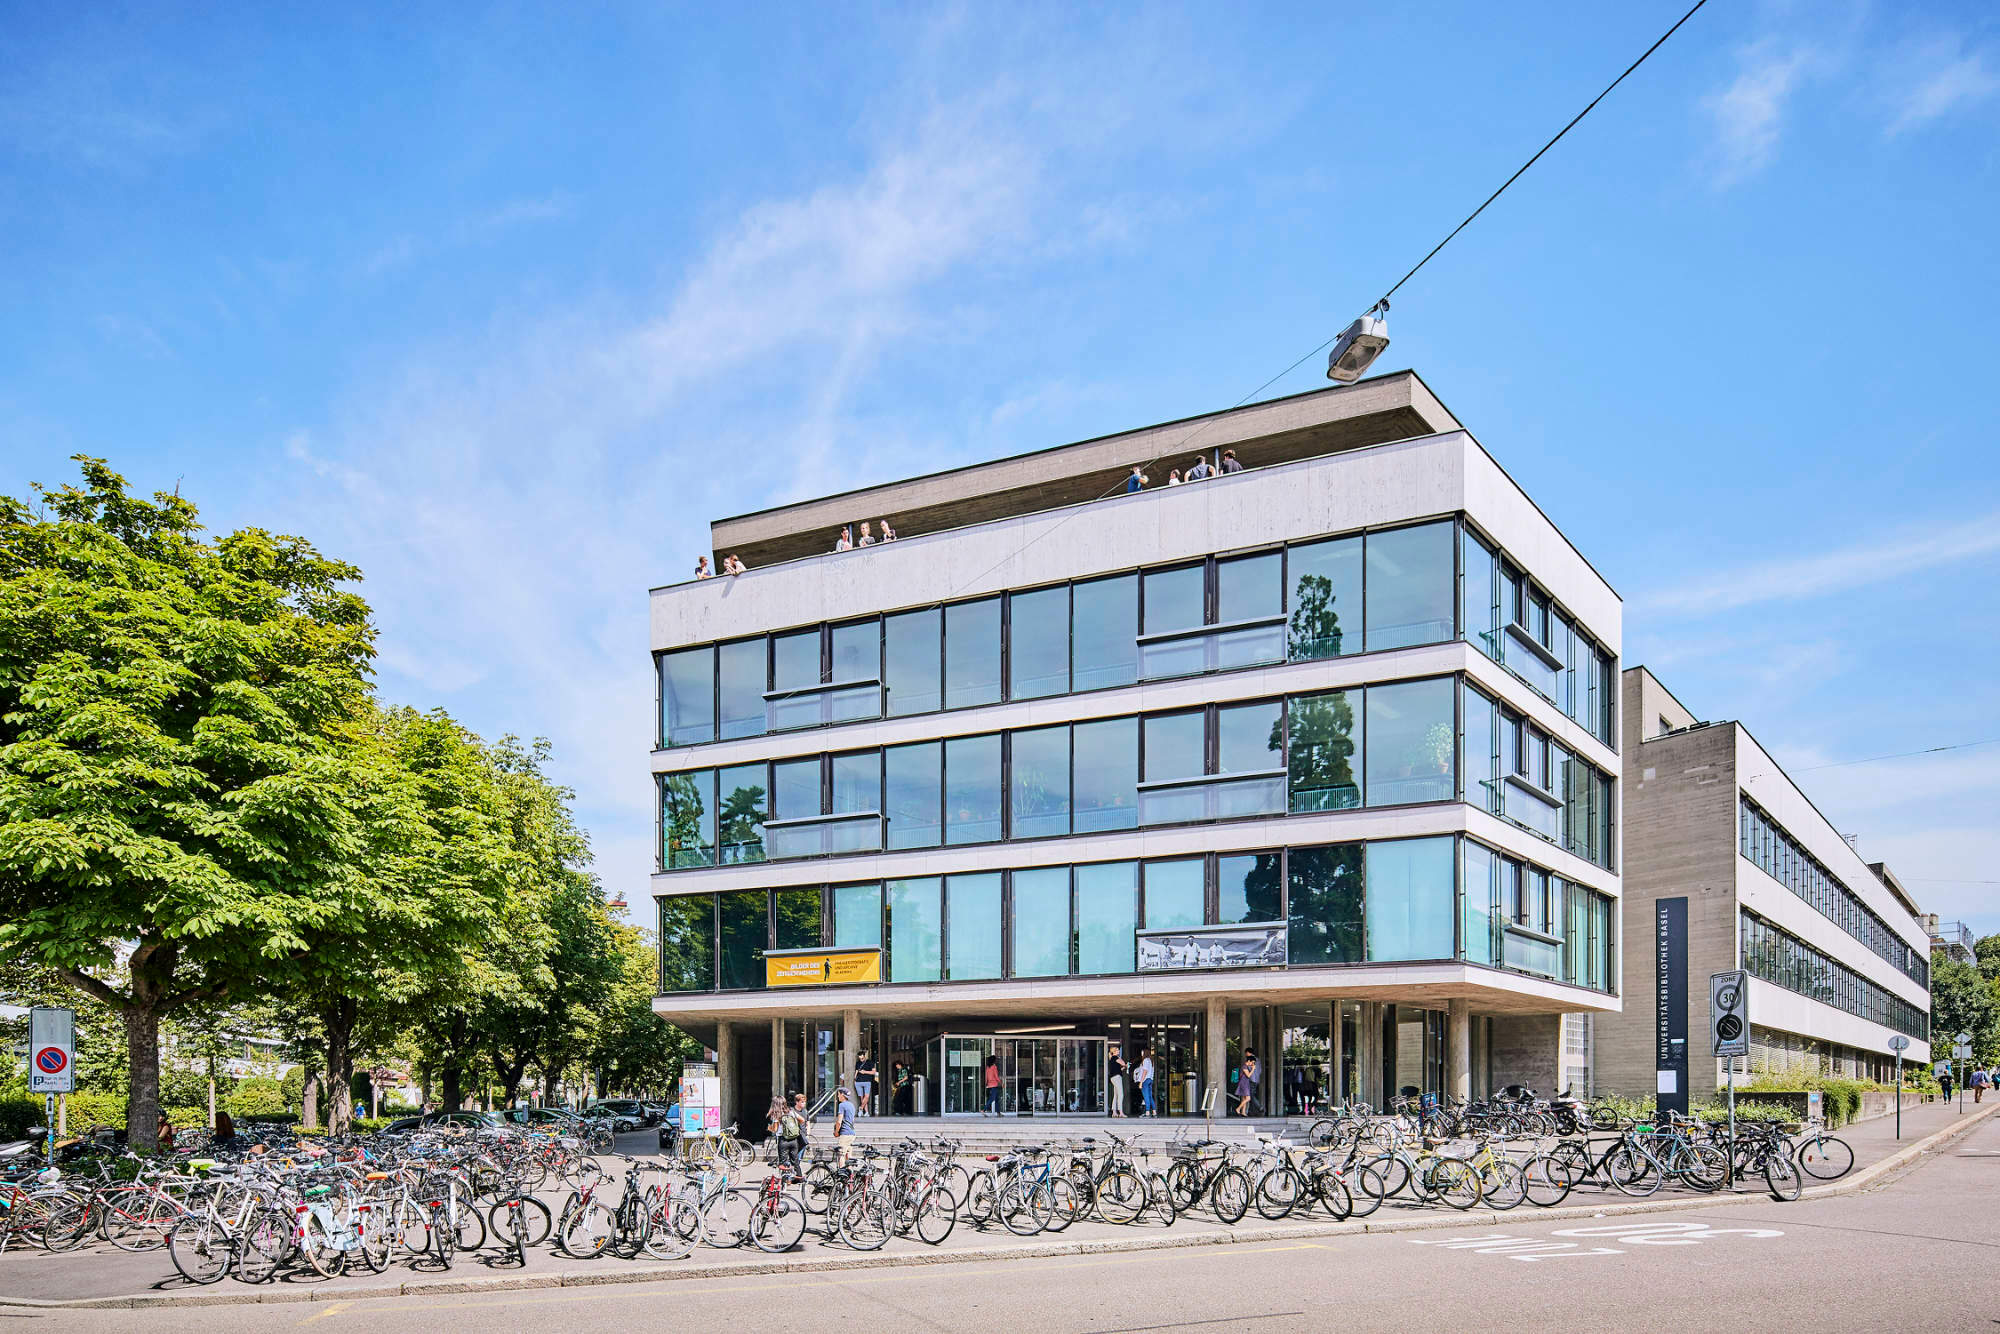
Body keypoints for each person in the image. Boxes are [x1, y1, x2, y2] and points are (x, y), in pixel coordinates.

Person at [775, 1092, 807, 1169]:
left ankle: (786, 1179)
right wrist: (794, 1126)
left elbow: (775, 1129)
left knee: (783, 1164)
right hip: (794, 1139)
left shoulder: (777, 1113)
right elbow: (802, 1120)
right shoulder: (791, 1111)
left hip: (783, 1140)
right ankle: (798, 1178)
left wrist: (769, 1128)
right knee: (795, 1162)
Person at [832, 1087, 857, 1161]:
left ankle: (841, 1172)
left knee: (841, 1155)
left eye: (838, 1094)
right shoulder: (852, 1105)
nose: (838, 1096)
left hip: (845, 1133)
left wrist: (836, 1132)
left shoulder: (842, 1105)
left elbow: (839, 1122)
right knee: (848, 1157)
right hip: (852, 1133)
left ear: (842, 1095)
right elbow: (852, 1120)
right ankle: (850, 1172)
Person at [1235, 1049, 1262, 1117]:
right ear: (1249, 1061)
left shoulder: (1247, 1065)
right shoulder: (1245, 1067)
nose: (1252, 1064)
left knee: (1245, 1098)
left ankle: (1243, 1112)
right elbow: (1248, 1075)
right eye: (1252, 1062)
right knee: (1248, 1098)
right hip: (1245, 1084)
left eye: (1253, 1063)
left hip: (1247, 1083)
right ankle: (1238, 1109)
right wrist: (1253, 1069)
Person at [854, 1050, 877, 1117]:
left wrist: (865, 1072)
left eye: (862, 1058)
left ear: (864, 1056)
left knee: (866, 1097)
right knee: (862, 1098)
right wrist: (854, 1079)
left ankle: (860, 1109)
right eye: (860, 1058)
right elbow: (856, 1071)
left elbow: (873, 1072)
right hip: (858, 1082)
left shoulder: (870, 1062)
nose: (861, 1059)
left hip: (867, 1081)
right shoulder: (858, 1063)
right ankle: (866, 1112)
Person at [1107, 1047, 1128, 1117]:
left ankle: (1114, 1112)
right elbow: (1123, 1063)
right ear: (1114, 1051)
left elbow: (1118, 1069)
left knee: (1115, 1095)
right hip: (1117, 1078)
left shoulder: (1112, 1059)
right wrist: (1125, 1065)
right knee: (1121, 1094)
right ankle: (1121, 1112)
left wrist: (1124, 1067)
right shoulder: (1116, 1057)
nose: (1119, 1051)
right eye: (1118, 1050)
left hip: (1113, 1078)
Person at [1135, 1049, 1156, 1117]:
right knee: (1150, 1097)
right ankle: (1154, 1112)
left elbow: (1145, 1072)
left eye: (1142, 1052)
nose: (1141, 1053)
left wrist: (1141, 1082)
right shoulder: (1151, 1061)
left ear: (1145, 1053)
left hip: (1145, 1080)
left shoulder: (1145, 1060)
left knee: (1146, 1096)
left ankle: (1147, 1112)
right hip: (1150, 1079)